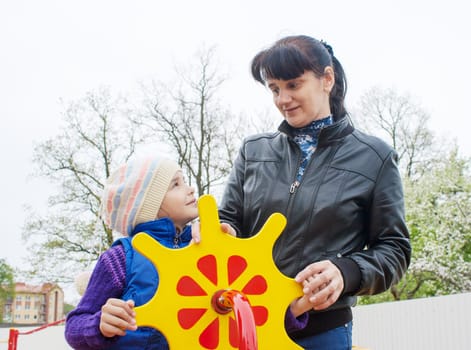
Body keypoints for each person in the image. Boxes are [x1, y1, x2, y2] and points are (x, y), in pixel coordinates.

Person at [218, 35, 412, 349]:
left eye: (293, 85)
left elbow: (394, 249)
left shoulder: (375, 158)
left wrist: (346, 271)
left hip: (322, 333)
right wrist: (217, 231)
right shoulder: (253, 151)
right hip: (245, 327)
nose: (282, 99)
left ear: (327, 79)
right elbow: (227, 221)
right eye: (274, 88)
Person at [65, 154, 309, 349]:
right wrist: (99, 325)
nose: (190, 189)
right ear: (147, 205)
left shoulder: (203, 245)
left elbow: (239, 309)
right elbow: (75, 326)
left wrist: (291, 309)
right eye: (176, 184)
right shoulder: (121, 258)